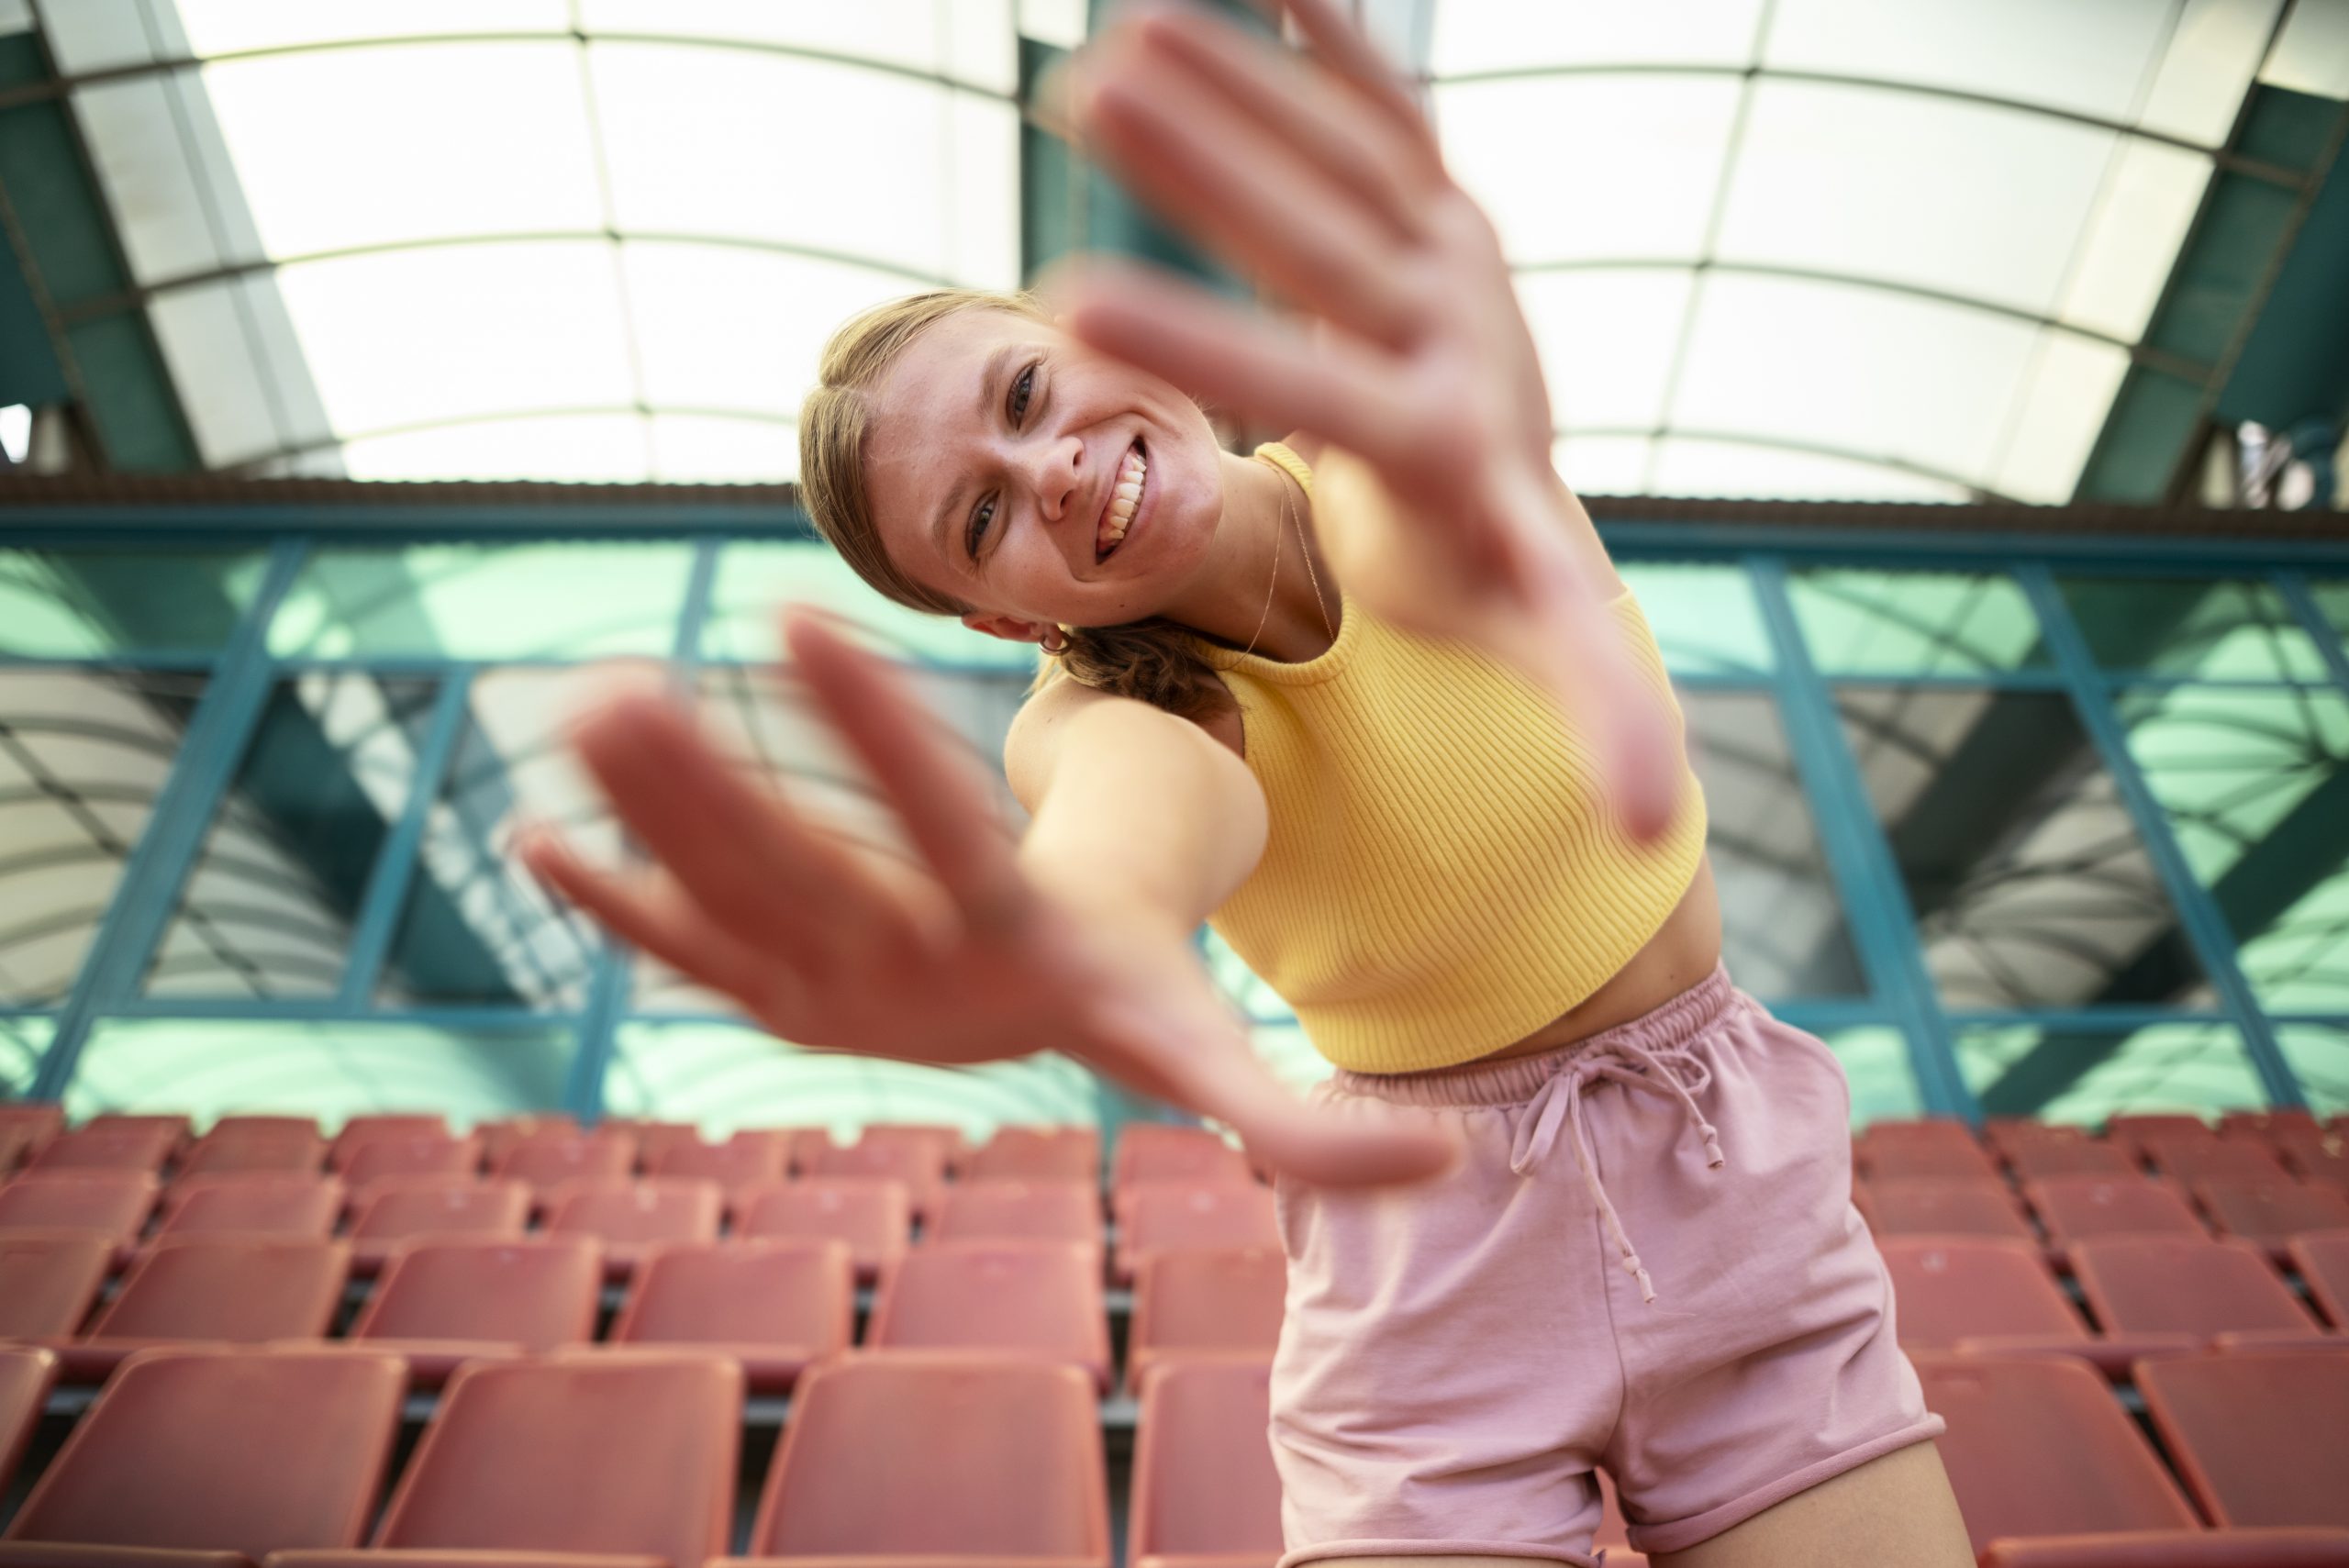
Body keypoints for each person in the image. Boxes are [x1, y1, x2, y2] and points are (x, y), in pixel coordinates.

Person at [518, 3, 1976, 1563]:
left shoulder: (1412, 455)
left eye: (1023, 399)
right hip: (1426, 1273)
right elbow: (1124, 844)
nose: (1052, 469)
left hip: (1728, 1182)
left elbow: (1437, 532)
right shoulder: (1101, 715)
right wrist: (1069, 938)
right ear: (1008, 617)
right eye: (983, 518)